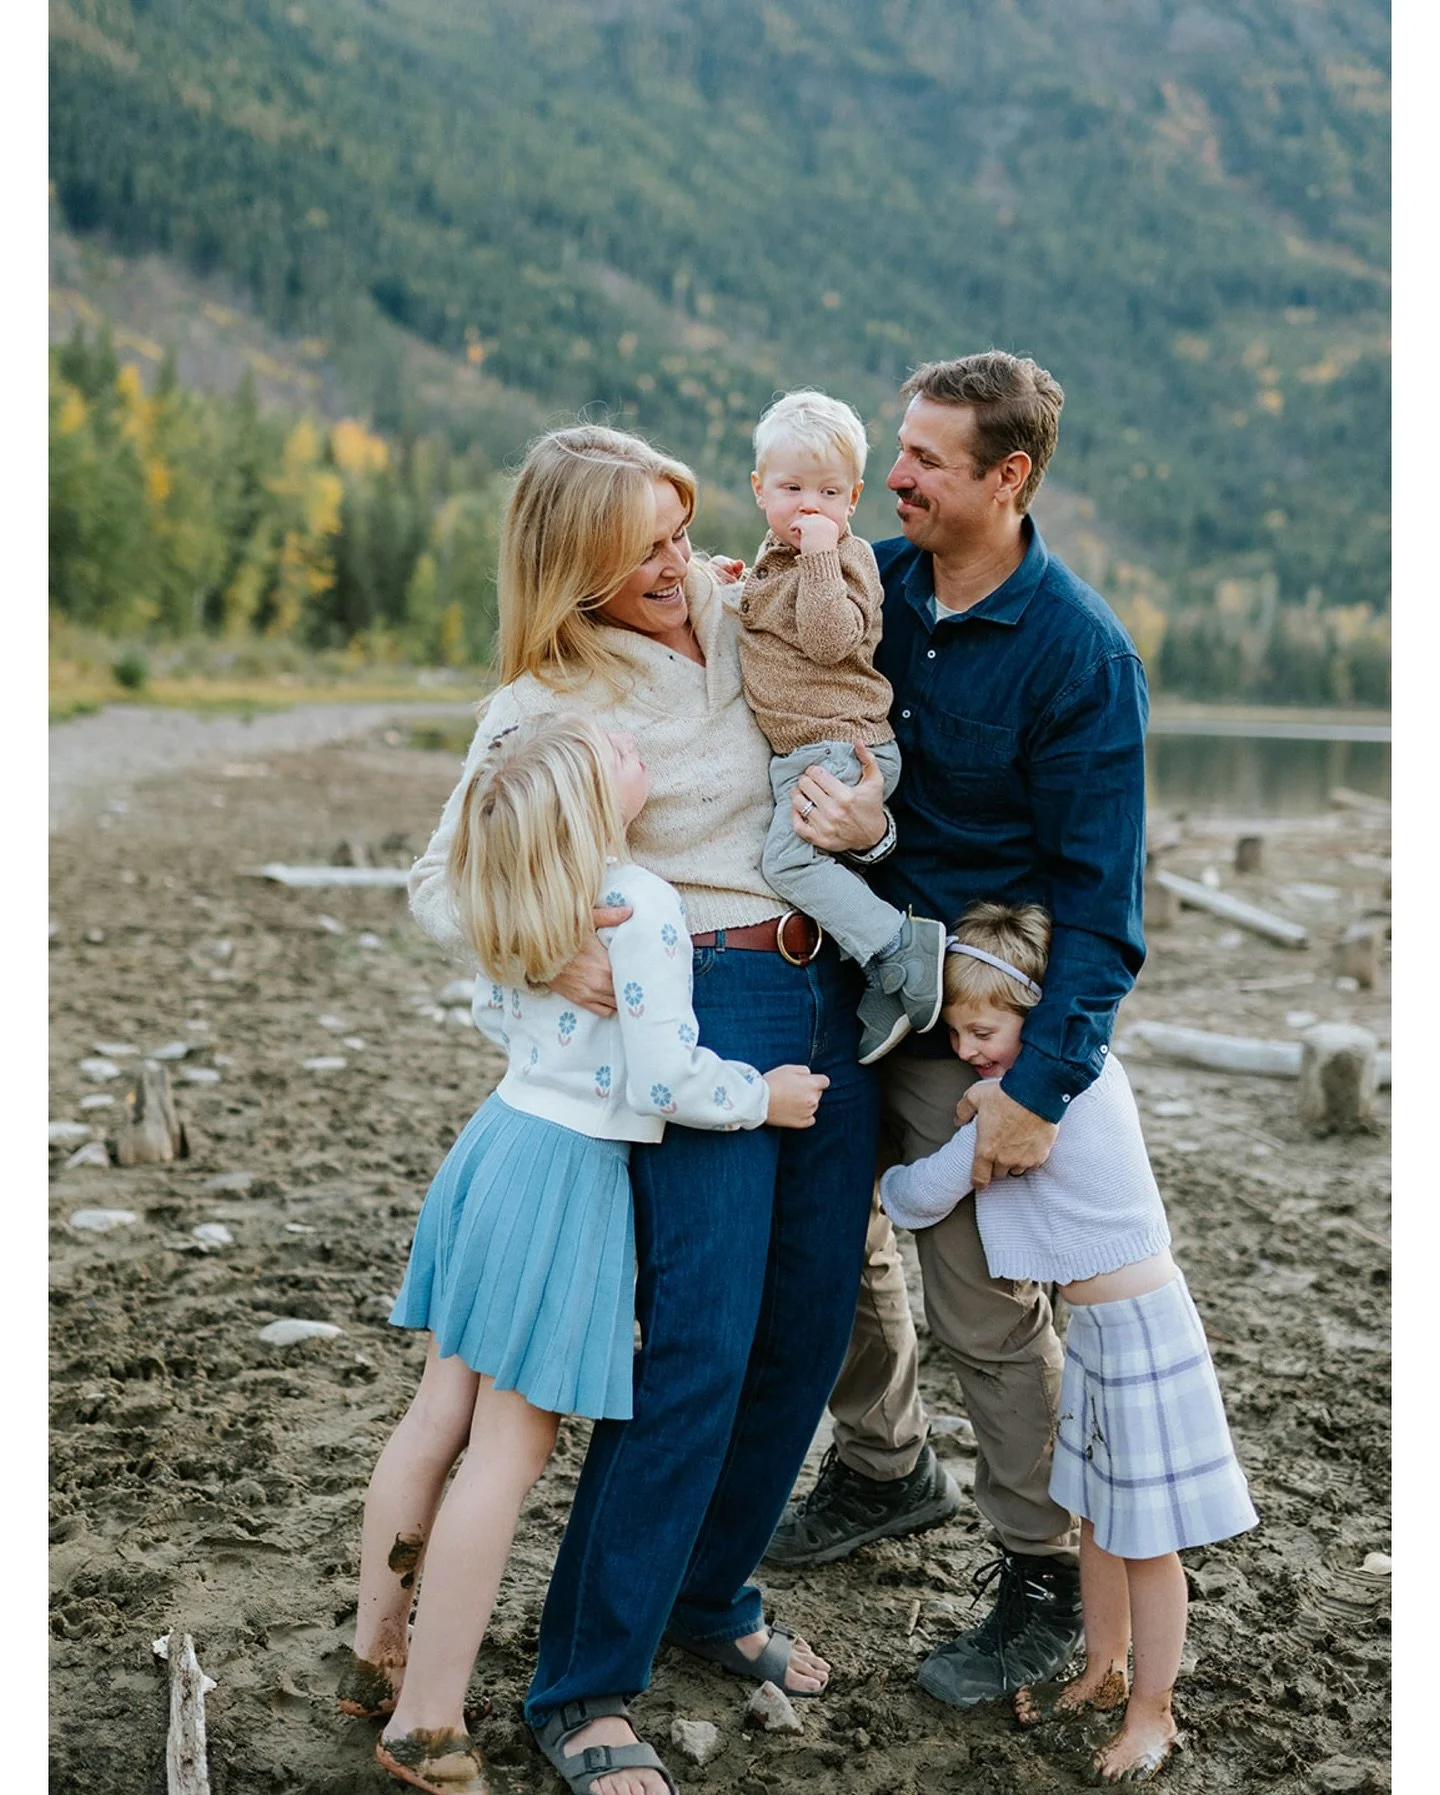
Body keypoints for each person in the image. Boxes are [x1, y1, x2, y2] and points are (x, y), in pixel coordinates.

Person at [406, 427, 881, 1795]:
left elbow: (842, 681)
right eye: (645, 550)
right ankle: (585, 1682)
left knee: (805, 1328)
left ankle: (711, 1594)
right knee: (696, 1343)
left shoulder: (748, 604)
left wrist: (864, 829)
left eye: (680, 531)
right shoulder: (546, 694)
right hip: (697, 1006)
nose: (678, 565)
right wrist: (547, 948)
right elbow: (444, 883)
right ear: (575, 570)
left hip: (824, 987)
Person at [765, 352, 1151, 1712]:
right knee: (833, 1246)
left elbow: (1103, 912)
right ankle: (883, 1466)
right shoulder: (868, 581)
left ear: (1012, 474)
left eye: (929, 457)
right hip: (833, 986)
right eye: (900, 453)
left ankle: (1041, 1571)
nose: (901, 475)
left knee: (987, 1313)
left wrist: (1040, 1087)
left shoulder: (1081, 653)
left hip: (964, 1025)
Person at [343, 713, 828, 1795]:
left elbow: (485, 1006)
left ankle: (375, 1655)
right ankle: (424, 1719)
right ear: (588, 804)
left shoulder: (525, 896)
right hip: (563, 1179)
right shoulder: (639, 901)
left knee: (437, 1417)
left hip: (495, 1146)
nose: (628, 743)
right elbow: (664, 1079)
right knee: (507, 1455)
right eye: (606, 747)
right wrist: (765, 1096)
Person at [880, 901, 1257, 1783]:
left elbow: (922, 1195)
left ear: (1037, 1015)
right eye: (960, 1032)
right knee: (1095, 1514)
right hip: (1095, 1329)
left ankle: (1153, 1713)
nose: (968, 1049)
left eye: (983, 1030)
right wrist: (984, 1087)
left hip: (1141, 1332)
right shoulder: (1032, 1080)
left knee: (1146, 1541)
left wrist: (898, 1166)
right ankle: (1101, 1666)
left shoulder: (1050, 1094)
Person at [736, 389, 945, 1064]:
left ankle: (898, 946)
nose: (809, 507)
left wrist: (824, 554)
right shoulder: (776, 559)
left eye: (828, 493)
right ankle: (886, 975)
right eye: (792, 488)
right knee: (802, 862)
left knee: (787, 859)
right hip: (813, 749)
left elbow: (828, 639)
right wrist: (730, 584)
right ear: (759, 489)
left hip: (841, 744)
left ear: (853, 499)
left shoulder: (845, 560)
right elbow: (768, 617)